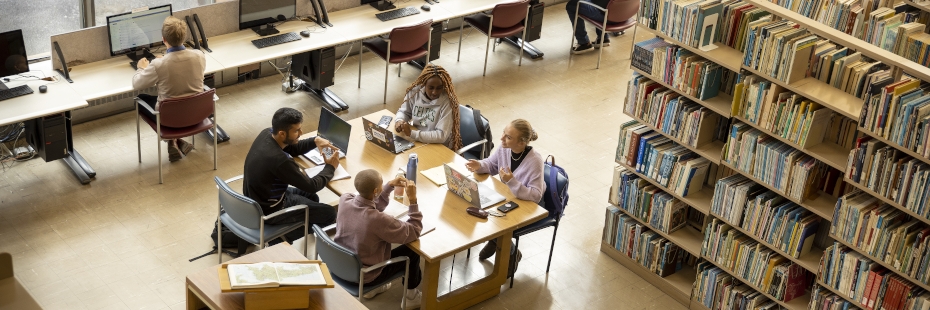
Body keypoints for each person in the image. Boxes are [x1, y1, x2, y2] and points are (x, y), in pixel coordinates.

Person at [242, 108, 339, 244]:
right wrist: (330, 167)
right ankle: (280, 238)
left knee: (312, 198)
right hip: (271, 209)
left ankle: (304, 221)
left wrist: (315, 141)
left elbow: (291, 148)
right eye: (296, 131)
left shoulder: (267, 134)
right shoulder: (280, 161)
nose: (301, 133)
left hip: (259, 198)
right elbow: (311, 185)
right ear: (282, 133)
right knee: (329, 213)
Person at [334, 169, 423, 309]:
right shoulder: (377, 220)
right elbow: (414, 230)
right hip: (365, 276)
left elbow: (372, 204)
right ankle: (411, 297)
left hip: (341, 266)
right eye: (382, 184)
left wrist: (388, 186)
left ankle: (374, 290)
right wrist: (413, 201)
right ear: (376, 191)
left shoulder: (345, 199)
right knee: (411, 252)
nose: (383, 187)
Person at [465, 119, 545, 272]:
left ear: (521, 143)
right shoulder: (504, 148)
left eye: (508, 137)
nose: (501, 138)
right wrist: (480, 165)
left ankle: (511, 251)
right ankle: (496, 241)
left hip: (528, 204)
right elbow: (493, 165)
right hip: (509, 198)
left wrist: (511, 181)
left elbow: (536, 196)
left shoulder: (535, 161)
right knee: (480, 210)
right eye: (503, 133)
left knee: (492, 218)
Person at [131, 16, 207, 162]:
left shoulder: (159, 64)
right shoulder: (199, 56)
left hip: (169, 119)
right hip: (196, 114)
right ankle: (177, 141)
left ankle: (173, 139)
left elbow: (136, 84)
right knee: (177, 99)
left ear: (163, 39)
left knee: (140, 99)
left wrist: (141, 68)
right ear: (184, 37)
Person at [394, 64, 463, 152]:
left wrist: (412, 133)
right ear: (424, 84)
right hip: (419, 141)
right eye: (431, 88)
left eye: (439, 88)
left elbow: (441, 135)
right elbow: (404, 112)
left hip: (439, 147)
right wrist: (399, 120)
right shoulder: (414, 93)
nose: (434, 92)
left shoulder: (448, 103)